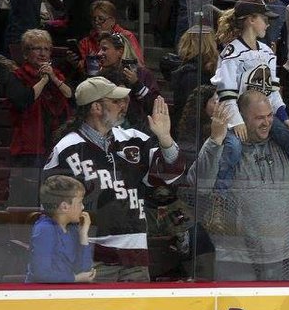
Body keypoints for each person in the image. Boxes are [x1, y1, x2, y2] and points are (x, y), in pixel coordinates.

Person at [43, 77, 186, 282]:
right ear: (96, 107)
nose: (123, 104)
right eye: (116, 101)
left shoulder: (135, 140)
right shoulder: (67, 148)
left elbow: (169, 177)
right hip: (90, 256)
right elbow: (51, 205)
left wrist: (165, 139)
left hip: (135, 254)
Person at [188, 90, 289, 280]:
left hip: (284, 256)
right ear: (242, 118)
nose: (267, 122)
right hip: (238, 260)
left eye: (269, 116)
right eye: (259, 118)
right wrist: (215, 141)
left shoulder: (283, 147)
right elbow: (198, 183)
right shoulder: (228, 149)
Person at [213, 0, 289, 217]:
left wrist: (284, 116)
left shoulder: (267, 52)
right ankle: (219, 205)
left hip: (262, 116)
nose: (267, 24)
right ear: (251, 20)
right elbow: (226, 95)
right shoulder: (231, 53)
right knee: (233, 148)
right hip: (235, 116)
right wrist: (238, 122)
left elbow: (272, 92)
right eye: (264, 19)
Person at [5, 28, 73, 207]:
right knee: (27, 198)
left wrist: (53, 78)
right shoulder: (16, 77)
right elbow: (24, 100)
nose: (43, 53)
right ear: (26, 53)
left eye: (47, 49)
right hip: (29, 147)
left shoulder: (57, 75)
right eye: (37, 49)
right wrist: (43, 81)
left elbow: (70, 96)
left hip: (55, 144)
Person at [26, 174, 96, 283]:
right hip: (42, 296)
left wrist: (83, 235)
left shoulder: (73, 229)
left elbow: (84, 270)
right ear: (64, 206)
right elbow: (41, 273)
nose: (83, 207)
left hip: (66, 294)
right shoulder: (45, 229)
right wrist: (75, 279)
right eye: (79, 202)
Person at [96, 32, 161, 132]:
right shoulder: (100, 76)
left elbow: (156, 107)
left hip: (139, 133)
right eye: (99, 49)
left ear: (120, 51)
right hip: (107, 131)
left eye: (104, 49)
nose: (99, 53)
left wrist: (137, 85)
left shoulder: (143, 74)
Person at [77, 1, 144, 70]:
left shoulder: (126, 37)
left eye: (100, 19)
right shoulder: (85, 42)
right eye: (94, 19)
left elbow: (138, 65)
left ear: (112, 21)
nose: (96, 22)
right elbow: (81, 67)